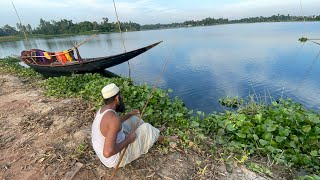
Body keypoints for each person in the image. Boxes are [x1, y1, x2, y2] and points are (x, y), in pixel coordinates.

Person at [91, 83, 170, 168]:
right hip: (115, 159)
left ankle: (154, 131)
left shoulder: (102, 110)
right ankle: (162, 138)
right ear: (117, 98)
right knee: (146, 128)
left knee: (133, 119)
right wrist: (128, 140)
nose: (122, 98)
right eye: (120, 96)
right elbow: (107, 153)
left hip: (106, 149)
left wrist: (130, 114)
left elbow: (113, 125)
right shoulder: (112, 119)